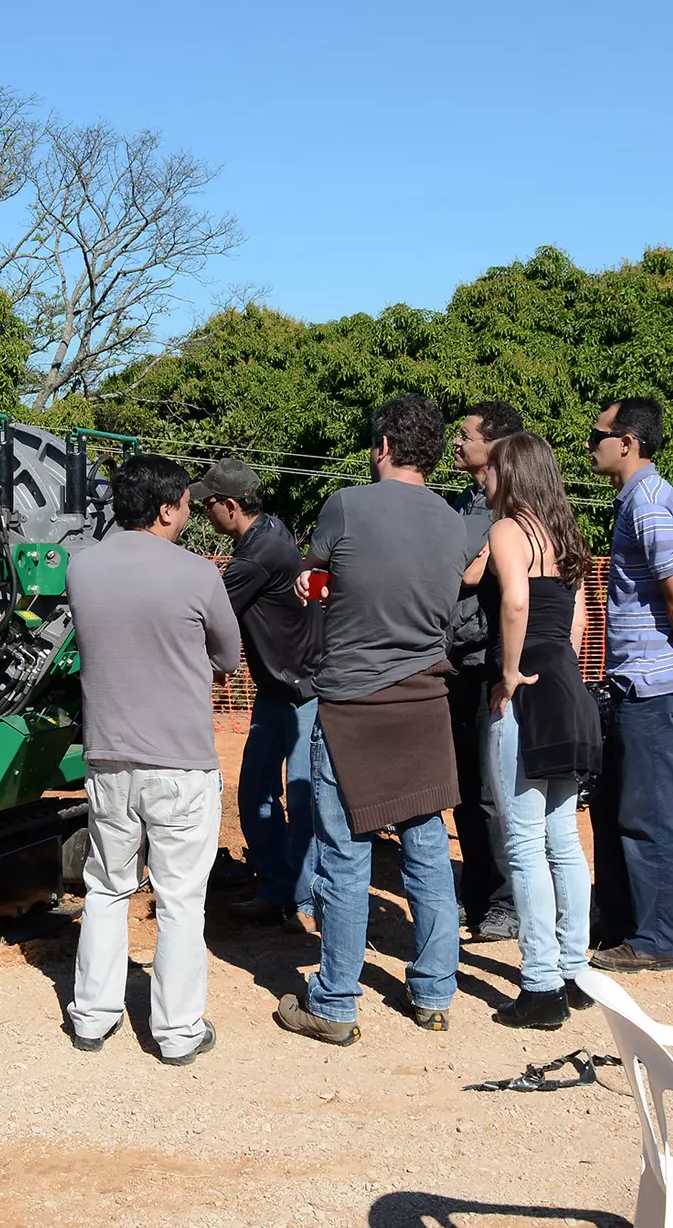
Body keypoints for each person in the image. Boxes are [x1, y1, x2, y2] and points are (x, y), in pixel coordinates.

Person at [273, 394, 478, 1045]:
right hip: (424, 705)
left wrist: (321, 588)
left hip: (352, 707)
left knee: (344, 856)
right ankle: (434, 995)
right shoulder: (454, 522)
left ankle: (334, 1004)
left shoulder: (347, 506)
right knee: (426, 853)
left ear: (384, 445)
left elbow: (319, 576)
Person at [65, 453, 242, 1065]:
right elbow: (228, 653)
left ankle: (91, 1015)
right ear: (166, 508)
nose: (190, 514)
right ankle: (177, 1031)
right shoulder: (198, 575)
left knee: (106, 888)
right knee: (180, 900)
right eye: (187, 504)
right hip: (180, 765)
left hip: (108, 759)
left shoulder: (81, 569)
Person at [586, 397, 673, 973]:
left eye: (596, 435)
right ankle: (623, 923)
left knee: (648, 815)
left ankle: (656, 940)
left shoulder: (648, 506)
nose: (589, 445)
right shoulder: (636, 501)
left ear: (628, 443)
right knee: (617, 808)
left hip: (651, 686)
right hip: (631, 682)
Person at [478, 432, 603, 1029]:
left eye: (494, 469)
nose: (485, 478)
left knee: (523, 842)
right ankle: (574, 970)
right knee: (563, 840)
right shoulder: (566, 537)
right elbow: (579, 621)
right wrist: (560, 674)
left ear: (513, 474)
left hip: (526, 689)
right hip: (568, 686)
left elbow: (516, 603)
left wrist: (508, 672)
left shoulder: (509, 531)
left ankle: (541, 985)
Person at [191, 458, 323, 930]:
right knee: (256, 791)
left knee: (303, 796)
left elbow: (207, 613)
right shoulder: (270, 531)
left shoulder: (255, 556)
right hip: (275, 687)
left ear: (229, 506)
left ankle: (305, 902)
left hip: (303, 689)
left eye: (208, 504)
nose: (203, 512)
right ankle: (279, 889)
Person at [448, 402, 524, 944]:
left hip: (488, 665)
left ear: (493, 444)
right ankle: (477, 893)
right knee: (464, 789)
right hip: (456, 664)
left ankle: (505, 902)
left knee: (491, 790)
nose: (457, 442)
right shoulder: (461, 502)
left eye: (465, 434)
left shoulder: (510, 511)